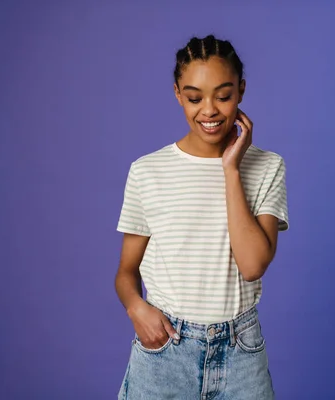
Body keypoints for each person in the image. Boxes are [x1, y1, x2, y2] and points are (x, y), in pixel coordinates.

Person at [114, 34, 289, 399]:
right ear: (178, 94)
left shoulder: (267, 166)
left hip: (241, 351)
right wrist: (136, 308)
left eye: (223, 96)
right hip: (166, 351)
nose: (208, 110)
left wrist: (231, 170)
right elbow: (126, 273)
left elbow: (253, 264)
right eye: (194, 98)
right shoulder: (147, 171)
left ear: (241, 91)